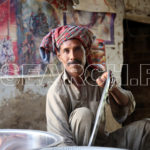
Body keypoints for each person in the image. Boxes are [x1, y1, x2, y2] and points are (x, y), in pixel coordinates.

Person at [40, 25, 150, 149]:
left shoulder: (98, 78)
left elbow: (128, 107)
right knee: (83, 114)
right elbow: (60, 141)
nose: (72, 56)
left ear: (86, 52)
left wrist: (113, 88)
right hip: (74, 148)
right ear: (59, 56)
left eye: (77, 49)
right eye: (66, 51)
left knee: (146, 127)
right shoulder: (56, 92)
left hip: (103, 142)